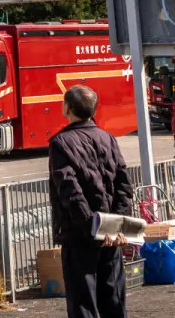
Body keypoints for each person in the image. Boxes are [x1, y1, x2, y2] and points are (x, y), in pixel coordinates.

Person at [48, 84, 134, 318]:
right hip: (111, 234)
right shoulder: (108, 138)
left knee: (83, 303)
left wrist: (91, 227)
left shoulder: (61, 143)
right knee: (114, 299)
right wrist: (115, 225)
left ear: (67, 108)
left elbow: (70, 191)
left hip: (80, 235)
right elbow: (124, 184)